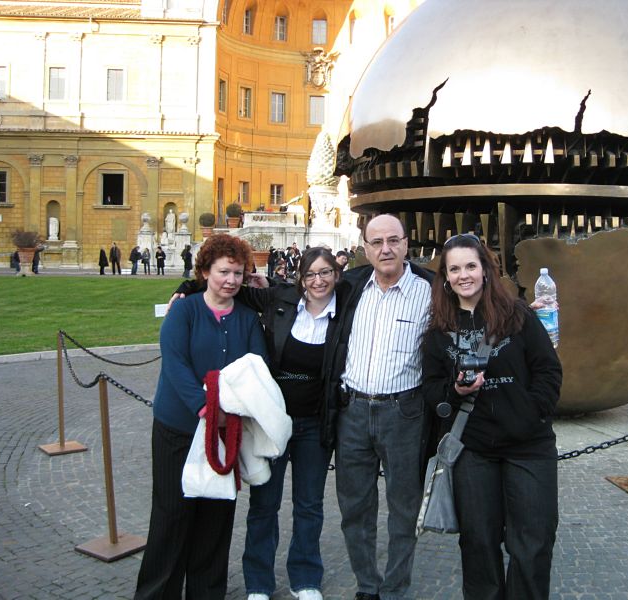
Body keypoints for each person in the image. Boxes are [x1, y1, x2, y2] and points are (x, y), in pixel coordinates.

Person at [172, 247, 350, 600]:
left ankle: (305, 578)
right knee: (264, 503)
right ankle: (258, 583)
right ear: (300, 279)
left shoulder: (345, 309)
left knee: (310, 504)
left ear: (337, 275)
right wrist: (188, 287)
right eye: (311, 274)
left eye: (325, 273)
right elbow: (230, 286)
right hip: (272, 419)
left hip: (315, 422)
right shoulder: (281, 300)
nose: (318, 281)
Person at [421, 234, 562, 600]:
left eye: (470, 265)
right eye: (454, 269)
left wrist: (532, 413)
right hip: (474, 449)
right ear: (446, 277)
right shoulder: (438, 331)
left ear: (485, 269)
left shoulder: (517, 315)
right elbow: (431, 390)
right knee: (479, 545)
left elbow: (548, 370)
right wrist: (456, 391)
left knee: (532, 544)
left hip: (528, 445)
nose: (463, 275)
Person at [134, 234, 268, 600]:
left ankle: (206, 593)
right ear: (206, 271)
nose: (231, 280)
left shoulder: (246, 318)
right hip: (180, 427)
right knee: (171, 516)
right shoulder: (185, 310)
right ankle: (157, 593)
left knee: (215, 519)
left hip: (225, 432)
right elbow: (175, 364)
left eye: (239, 273)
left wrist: (231, 412)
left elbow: (257, 368)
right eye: (224, 271)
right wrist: (206, 407)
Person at [330, 214, 433, 600]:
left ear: (407, 243)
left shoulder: (430, 291)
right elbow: (300, 291)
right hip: (353, 412)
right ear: (365, 248)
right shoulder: (353, 287)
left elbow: (479, 303)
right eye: (376, 242)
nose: (385, 249)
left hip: (403, 413)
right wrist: (191, 286)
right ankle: (367, 587)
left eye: (393, 240)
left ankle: (394, 589)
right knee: (354, 508)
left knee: (404, 508)